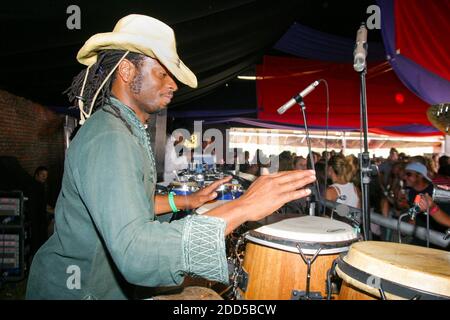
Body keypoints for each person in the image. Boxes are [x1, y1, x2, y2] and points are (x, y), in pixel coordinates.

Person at [25, 14, 315, 300]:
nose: (173, 84)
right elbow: (136, 252)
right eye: (162, 73)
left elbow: (128, 203)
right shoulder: (109, 137)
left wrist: (188, 201)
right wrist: (244, 206)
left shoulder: (125, 127)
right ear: (126, 72)